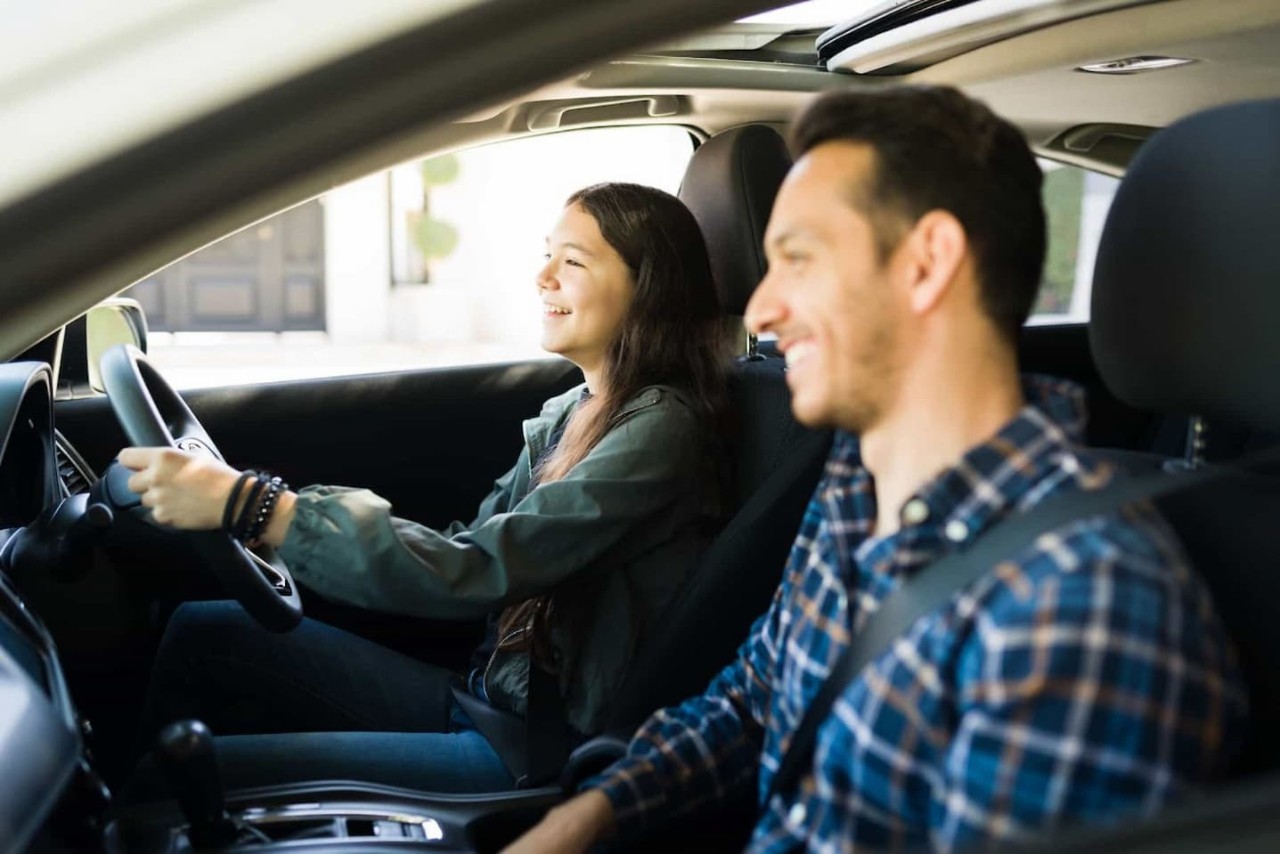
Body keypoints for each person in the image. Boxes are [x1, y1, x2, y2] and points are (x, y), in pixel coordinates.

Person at [507, 87, 1247, 852]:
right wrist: (589, 816)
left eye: (798, 259)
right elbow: (755, 703)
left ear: (927, 264)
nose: (760, 310)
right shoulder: (855, 489)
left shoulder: (1079, 603)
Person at [118, 181, 730, 795]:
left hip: (538, 745)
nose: (543, 275)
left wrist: (257, 507)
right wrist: (285, 516)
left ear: (647, 288)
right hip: (489, 698)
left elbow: (478, 567)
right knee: (206, 630)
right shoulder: (575, 410)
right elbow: (466, 541)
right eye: (548, 253)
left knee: (167, 782)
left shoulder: (660, 429)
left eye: (572, 261)